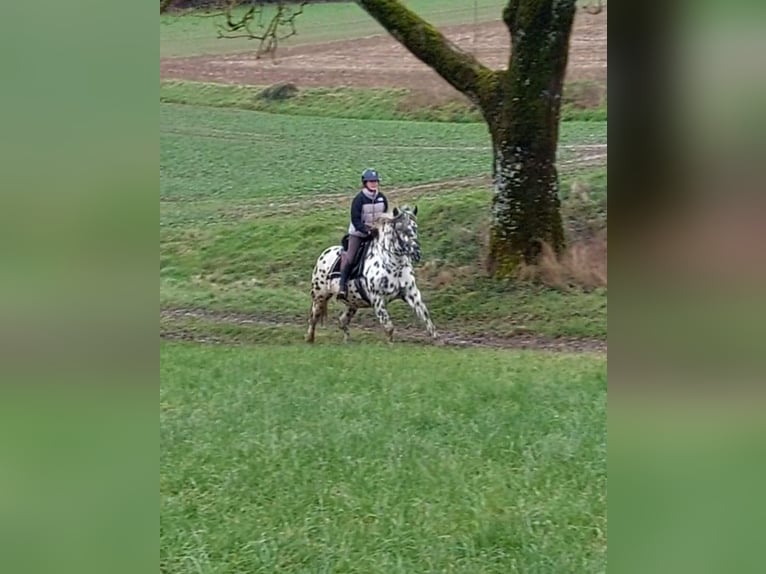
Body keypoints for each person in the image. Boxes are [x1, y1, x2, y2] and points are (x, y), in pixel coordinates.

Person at [337, 168, 388, 300]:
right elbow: (355, 220)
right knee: (351, 257)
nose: (374, 184)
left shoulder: (382, 198)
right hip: (358, 234)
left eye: (375, 181)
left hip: (376, 233)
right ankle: (342, 286)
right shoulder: (358, 199)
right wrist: (366, 230)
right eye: (371, 181)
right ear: (365, 183)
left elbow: (384, 215)